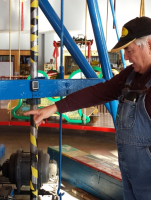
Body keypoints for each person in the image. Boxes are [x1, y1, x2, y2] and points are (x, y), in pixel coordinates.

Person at [24, 16, 151, 200]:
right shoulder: (130, 76)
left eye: (129, 50)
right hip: (130, 176)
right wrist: (54, 108)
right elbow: (97, 92)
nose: (126, 57)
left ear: (149, 44)